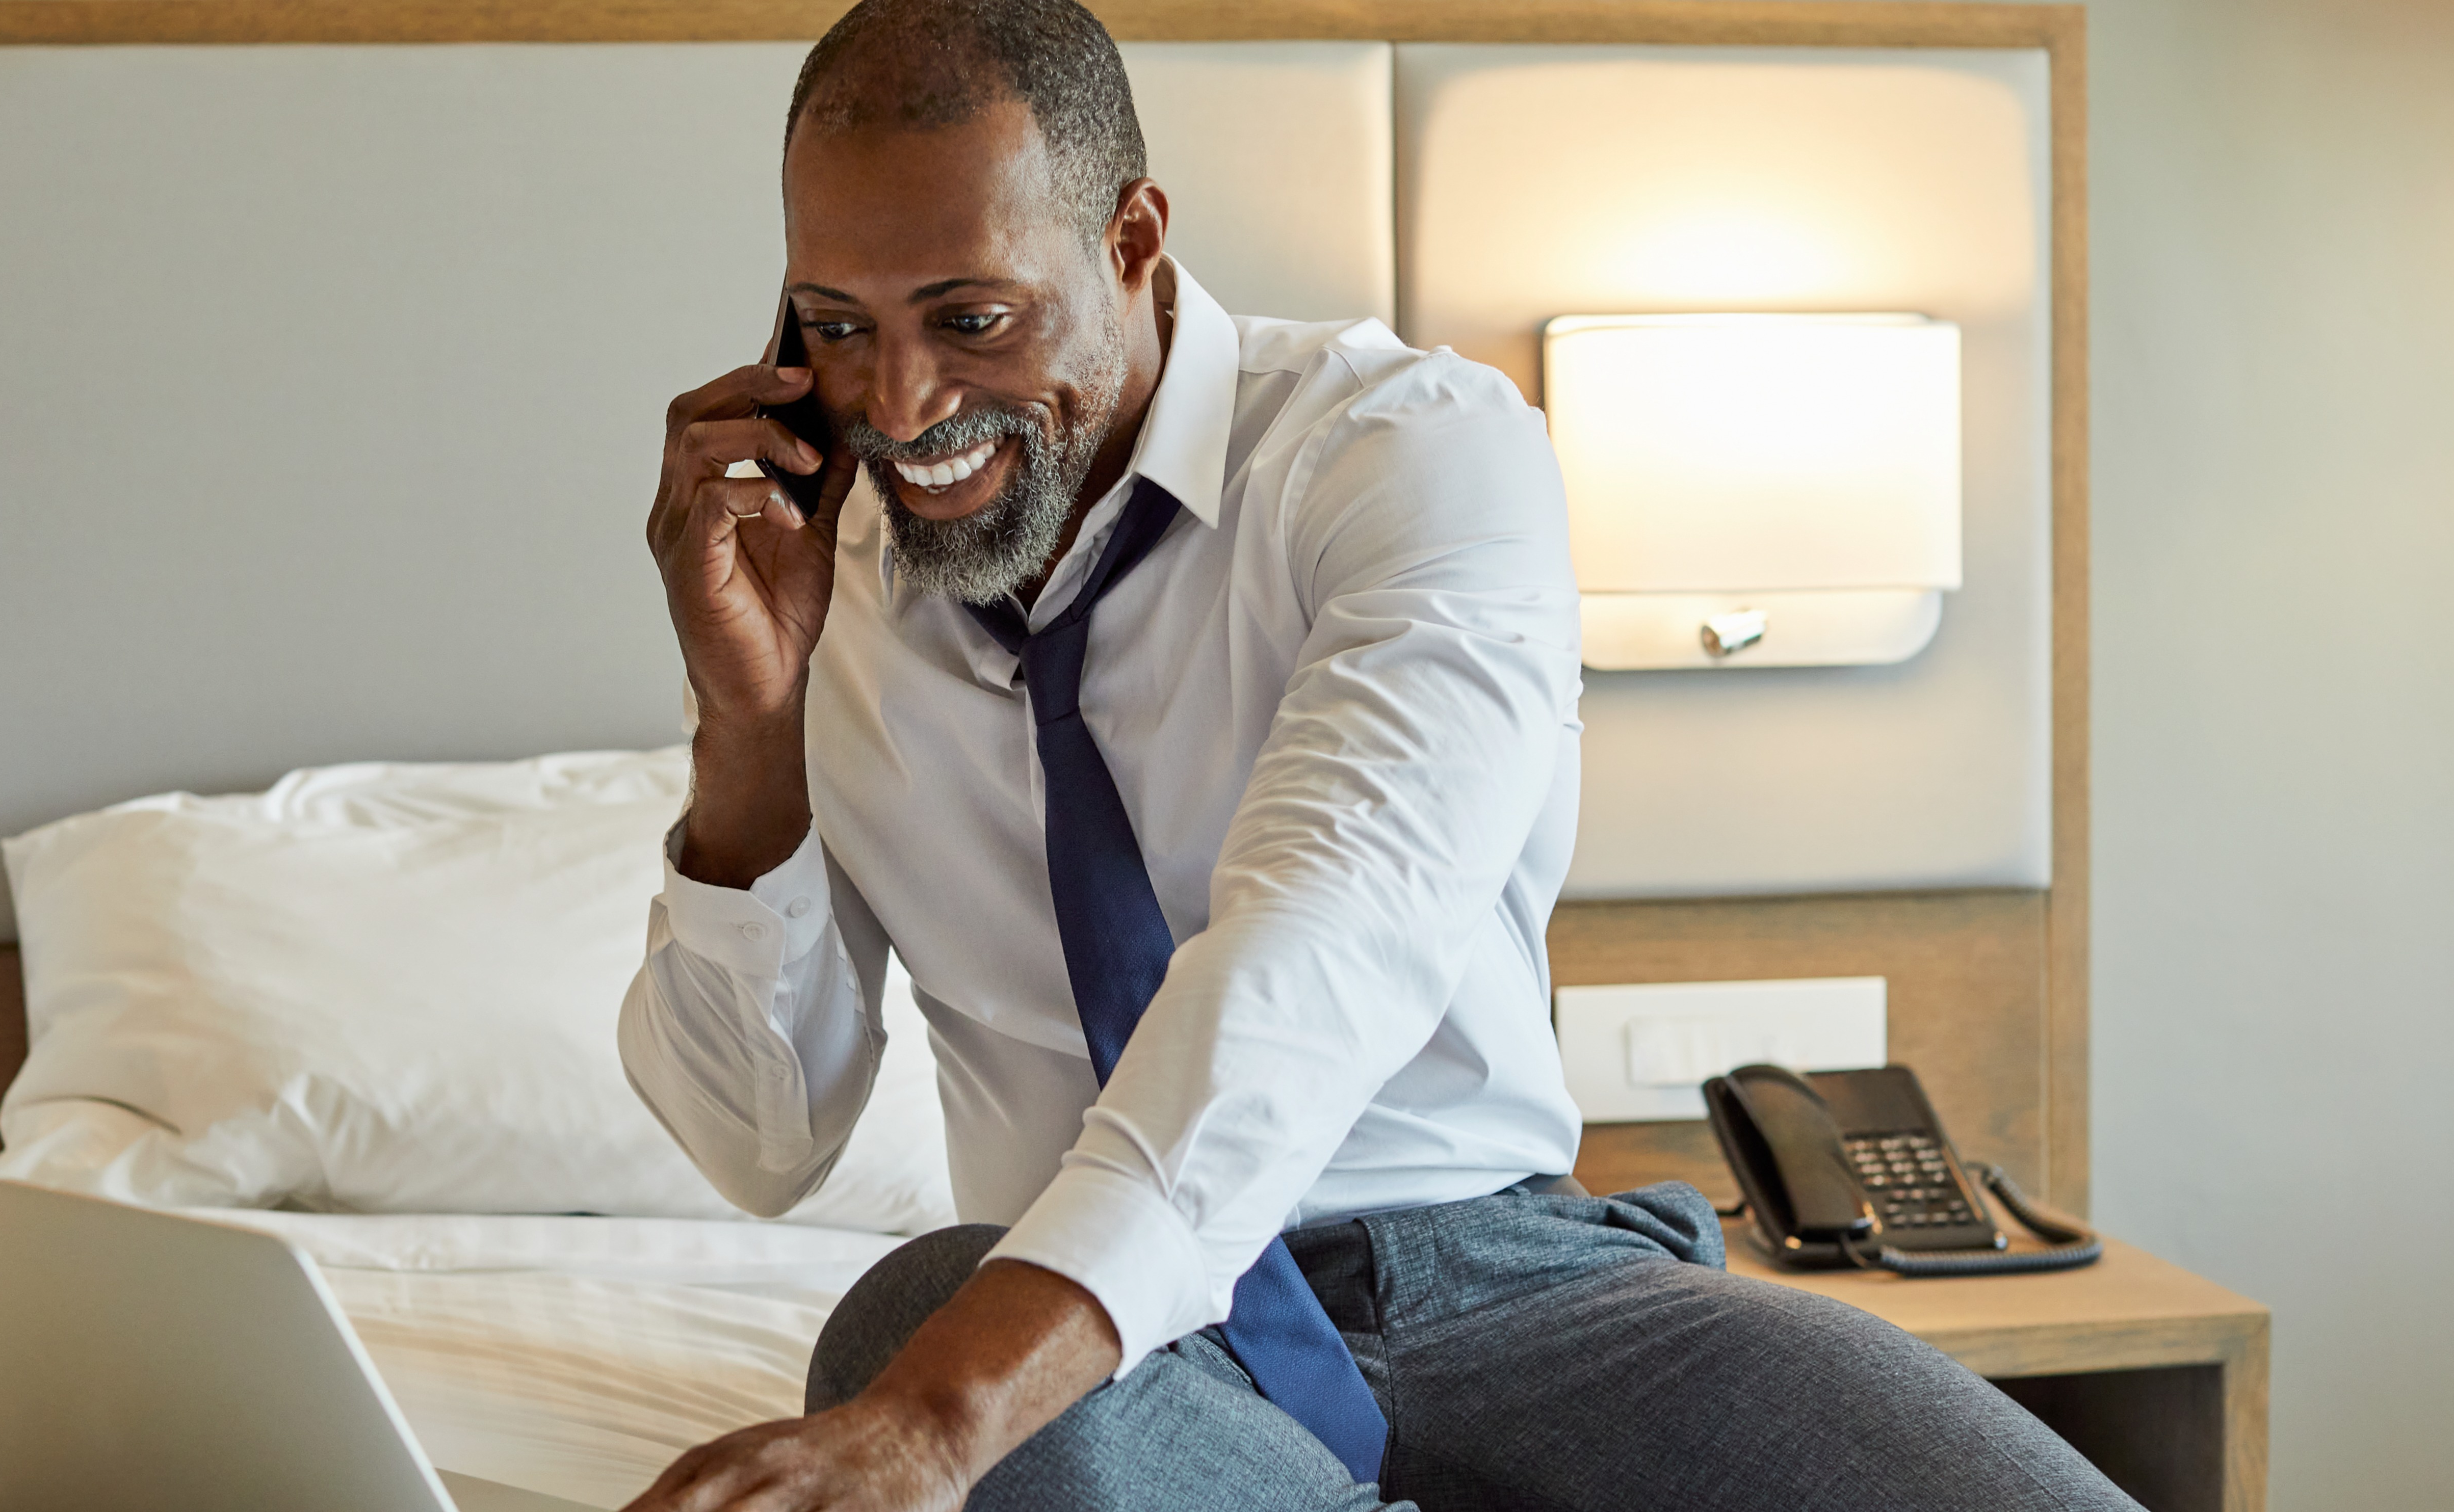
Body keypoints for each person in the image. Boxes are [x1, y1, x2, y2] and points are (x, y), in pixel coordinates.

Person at [619, 2, 2143, 1507]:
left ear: (1134, 242)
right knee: (905, 1306)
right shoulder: (829, 581)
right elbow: (763, 1150)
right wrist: (750, 725)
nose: (899, 406)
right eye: (836, 327)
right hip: (1118, 1365)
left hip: (1518, 1296)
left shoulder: (1410, 454)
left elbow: (1315, 950)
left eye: (973, 318)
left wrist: (944, 1420)